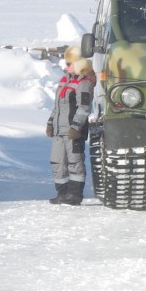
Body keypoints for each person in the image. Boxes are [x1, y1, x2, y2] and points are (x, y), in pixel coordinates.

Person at [46, 46, 94, 205]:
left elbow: (84, 108)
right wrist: (50, 122)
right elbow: (57, 107)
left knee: (75, 162)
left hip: (73, 131)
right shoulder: (64, 80)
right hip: (60, 131)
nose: (66, 66)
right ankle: (62, 194)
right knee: (57, 161)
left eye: (69, 63)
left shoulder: (84, 83)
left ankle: (74, 195)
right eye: (66, 63)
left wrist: (76, 127)